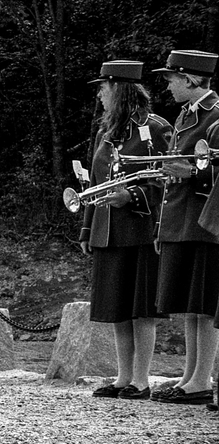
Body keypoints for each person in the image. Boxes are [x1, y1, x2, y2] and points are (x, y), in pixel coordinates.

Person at [76, 60, 171, 400]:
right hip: (108, 229)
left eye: (103, 88)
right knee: (117, 306)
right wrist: (87, 229)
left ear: (118, 89)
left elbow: (165, 181)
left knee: (140, 307)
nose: (100, 95)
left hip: (141, 227)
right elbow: (96, 182)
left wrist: (131, 195)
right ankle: (122, 377)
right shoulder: (106, 133)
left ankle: (142, 380)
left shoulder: (157, 128)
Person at [150, 50, 219, 404]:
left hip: (202, 220)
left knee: (203, 305)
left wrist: (190, 173)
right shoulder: (185, 115)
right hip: (182, 219)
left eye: (172, 79)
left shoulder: (216, 115)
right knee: (189, 305)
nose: (169, 85)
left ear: (190, 79)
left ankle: (201, 379)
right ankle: (191, 376)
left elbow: (214, 169)